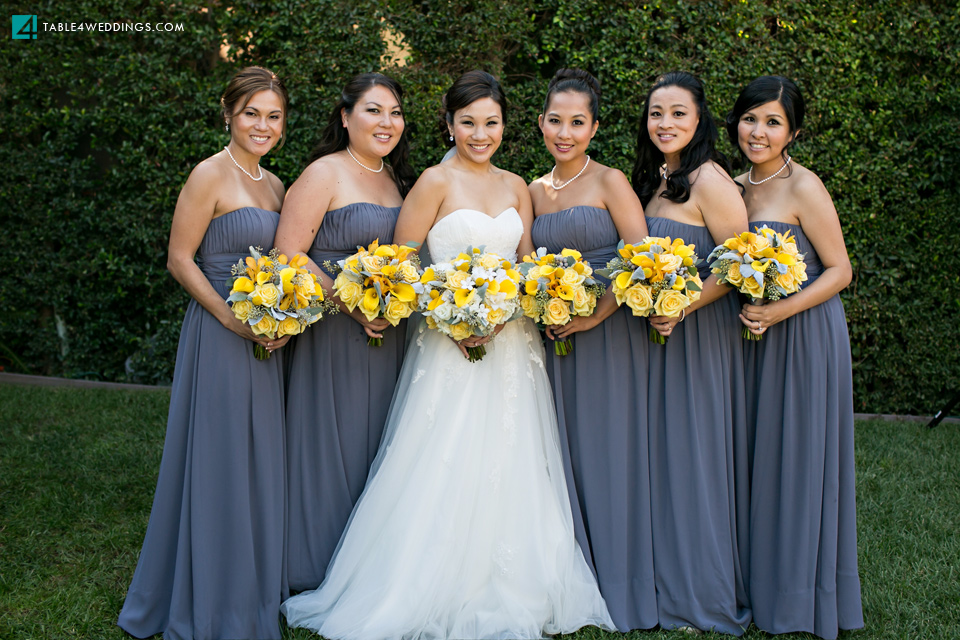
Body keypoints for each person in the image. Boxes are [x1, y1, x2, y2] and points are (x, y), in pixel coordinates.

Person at [281, 70, 614, 639]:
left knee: (514, 456)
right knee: (443, 455)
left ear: (507, 126)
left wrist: (514, 309)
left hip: (512, 344)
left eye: (491, 123)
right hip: (446, 343)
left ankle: (518, 583)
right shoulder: (432, 182)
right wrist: (450, 318)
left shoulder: (517, 187)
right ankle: (420, 583)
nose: (480, 134)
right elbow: (401, 267)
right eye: (468, 123)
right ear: (449, 124)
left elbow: (526, 265)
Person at [117, 66, 289, 640]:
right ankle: (210, 600)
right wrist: (230, 318)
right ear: (228, 113)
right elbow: (180, 259)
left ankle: (251, 594)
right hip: (219, 335)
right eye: (251, 113)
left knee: (259, 460)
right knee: (218, 460)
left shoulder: (276, 185)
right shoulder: (207, 175)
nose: (262, 125)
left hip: (267, 338)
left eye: (273, 115)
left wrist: (287, 317)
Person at [728, 75, 863, 639]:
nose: (758, 132)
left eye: (773, 122)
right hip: (748, 339)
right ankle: (755, 583)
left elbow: (840, 270)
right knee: (757, 457)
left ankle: (798, 595)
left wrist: (778, 312)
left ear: (793, 132)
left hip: (804, 335)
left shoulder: (805, 187)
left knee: (797, 459)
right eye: (751, 118)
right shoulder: (733, 186)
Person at [273, 72, 416, 592]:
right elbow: (289, 253)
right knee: (333, 442)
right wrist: (351, 304)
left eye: (395, 112)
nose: (386, 122)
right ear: (345, 116)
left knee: (382, 443)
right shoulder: (323, 174)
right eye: (374, 110)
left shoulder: (398, 181)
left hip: (391, 332)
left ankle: (369, 569)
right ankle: (315, 566)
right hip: (336, 333)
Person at [528, 68, 657, 632]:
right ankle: (570, 574)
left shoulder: (611, 182)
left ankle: (621, 580)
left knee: (610, 450)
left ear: (594, 128)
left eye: (577, 122)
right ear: (540, 123)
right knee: (563, 451)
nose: (565, 131)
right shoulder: (532, 190)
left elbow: (640, 257)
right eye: (555, 120)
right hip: (556, 338)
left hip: (609, 337)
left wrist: (594, 316)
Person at [631, 71, 752, 635]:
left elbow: (739, 265)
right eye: (657, 113)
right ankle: (662, 578)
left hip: (699, 335)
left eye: (678, 113)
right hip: (657, 337)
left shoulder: (710, 180)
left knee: (695, 456)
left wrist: (683, 306)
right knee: (663, 457)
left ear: (699, 120)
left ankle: (702, 590)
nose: (666, 124)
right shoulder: (655, 178)